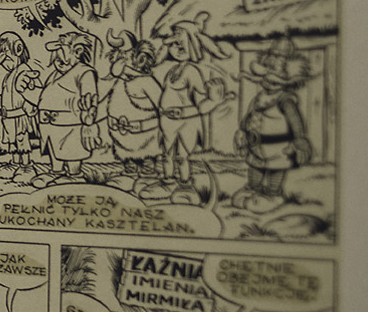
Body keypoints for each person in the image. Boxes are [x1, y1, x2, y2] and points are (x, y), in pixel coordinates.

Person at [231, 37, 313, 213]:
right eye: (265, 79)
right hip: (256, 146)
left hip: (278, 148)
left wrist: (300, 139)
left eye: (273, 80)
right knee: (255, 170)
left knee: (275, 172)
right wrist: (242, 130)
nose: (267, 82)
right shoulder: (260, 97)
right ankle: (252, 190)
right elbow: (250, 114)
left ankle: (272, 195)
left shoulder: (285, 100)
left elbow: (295, 121)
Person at [154, 16, 233, 195]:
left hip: (184, 122)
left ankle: (185, 185)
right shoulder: (172, 70)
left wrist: (186, 111)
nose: (177, 49)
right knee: (166, 154)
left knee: (182, 156)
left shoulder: (191, 71)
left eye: (182, 45)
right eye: (174, 45)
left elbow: (203, 101)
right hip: (167, 121)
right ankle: (167, 181)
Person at [36, 31, 101, 181]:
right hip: (50, 126)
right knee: (55, 152)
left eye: (62, 56)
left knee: (72, 152)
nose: (58, 61)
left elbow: (90, 99)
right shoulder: (54, 75)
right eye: (56, 58)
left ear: (77, 51)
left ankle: (74, 175)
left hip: (71, 125)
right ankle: (56, 172)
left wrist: (89, 123)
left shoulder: (84, 72)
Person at [102, 31, 163, 186]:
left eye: (125, 56)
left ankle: (148, 178)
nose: (119, 61)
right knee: (128, 165)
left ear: (139, 59)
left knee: (147, 164)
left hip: (146, 136)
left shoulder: (146, 81)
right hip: (121, 137)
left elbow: (162, 104)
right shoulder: (119, 81)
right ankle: (128, 176)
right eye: (119, 56)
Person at [0, 32, 38, 178]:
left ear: (18, 49)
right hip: (8, 118)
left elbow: (32, 94)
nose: (3, 58)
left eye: (5, 51)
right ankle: (14, 164)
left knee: (22, 141)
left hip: (20, 117)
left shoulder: (24, 71)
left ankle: (26, 166)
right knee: (12, 143)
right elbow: (4, 101)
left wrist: (30, 106)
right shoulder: (7, 76)